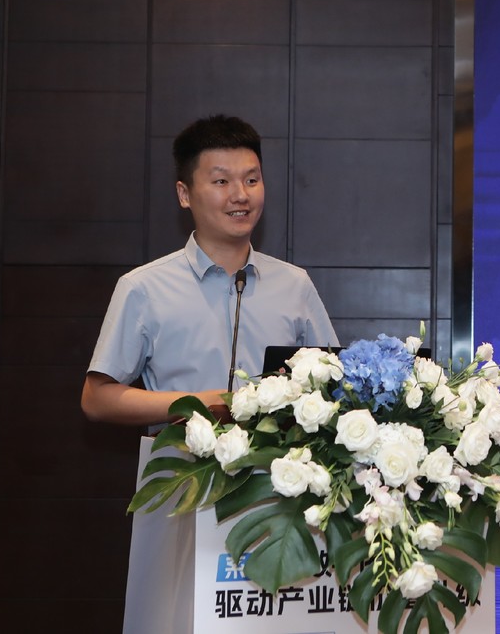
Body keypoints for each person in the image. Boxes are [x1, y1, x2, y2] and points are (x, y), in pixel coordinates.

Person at [81, 114, 338, 634]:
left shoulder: (294, 285)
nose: (240, 195)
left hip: (279, 496)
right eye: (221, 181)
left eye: (251, 179)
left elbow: (334, 388)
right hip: (183, 486)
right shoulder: (143, 288)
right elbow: (97, 397)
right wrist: (195, 403)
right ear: (185, 193)